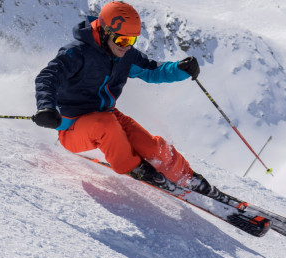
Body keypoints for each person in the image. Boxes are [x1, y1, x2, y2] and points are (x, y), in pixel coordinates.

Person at [32, 1, 219, 197]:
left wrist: (180, 70)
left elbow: (152, 70)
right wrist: (46, 108)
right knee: (105, 125)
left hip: (108, 115)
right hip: (71, 127)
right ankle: (135, 168)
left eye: (132, 41)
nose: (127, 47)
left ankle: (187, 177)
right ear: (105, 33)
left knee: (151, 146)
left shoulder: (125, 54)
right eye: (122, 41)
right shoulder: (77, 53)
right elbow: (48, 76)